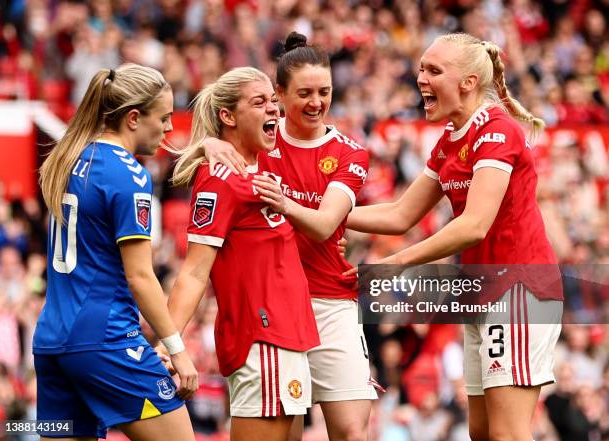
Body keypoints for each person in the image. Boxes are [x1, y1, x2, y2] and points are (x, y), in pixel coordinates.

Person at [343, 33, 563, 441]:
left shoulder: (496, 131)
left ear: (467, 82)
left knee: (508, 435)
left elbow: (474, 224)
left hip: (519, 290)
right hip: (485, 293)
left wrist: (396, 263)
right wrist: (326, 218)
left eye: (433, 70)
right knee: (481, 432)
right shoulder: (449, 140)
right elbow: (400, 213)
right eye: (421, 69)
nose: (420, 78)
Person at [202, 32, 379, 441]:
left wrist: (286, 204)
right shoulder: (260, 137)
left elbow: (323, 224)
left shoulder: (351, 152)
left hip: (331, 301)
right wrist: (207, 144)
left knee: (353, 433)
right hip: (275, 307)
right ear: (279, 93)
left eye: (325, 92)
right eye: (304, 93)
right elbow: (208, 147)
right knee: (287, 434)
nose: (316, 102)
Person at [34, 63, 197, 441]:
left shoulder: (69, 159)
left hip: (52, 342)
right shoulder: (129, 174)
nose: (170, 129)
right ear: (134, 118)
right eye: (165, 118)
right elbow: (139, 276)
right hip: (104, 340)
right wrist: (177, 350)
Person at [166, 66, 320, 441]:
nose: (274, 110)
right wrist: (170, 343)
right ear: (228, 116)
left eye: (273, 101)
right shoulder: (221, 179)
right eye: (260, 102)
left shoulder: (263, 166)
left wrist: (204, 142)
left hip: (291, 339)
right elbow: (193, 271)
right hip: (263, 340)